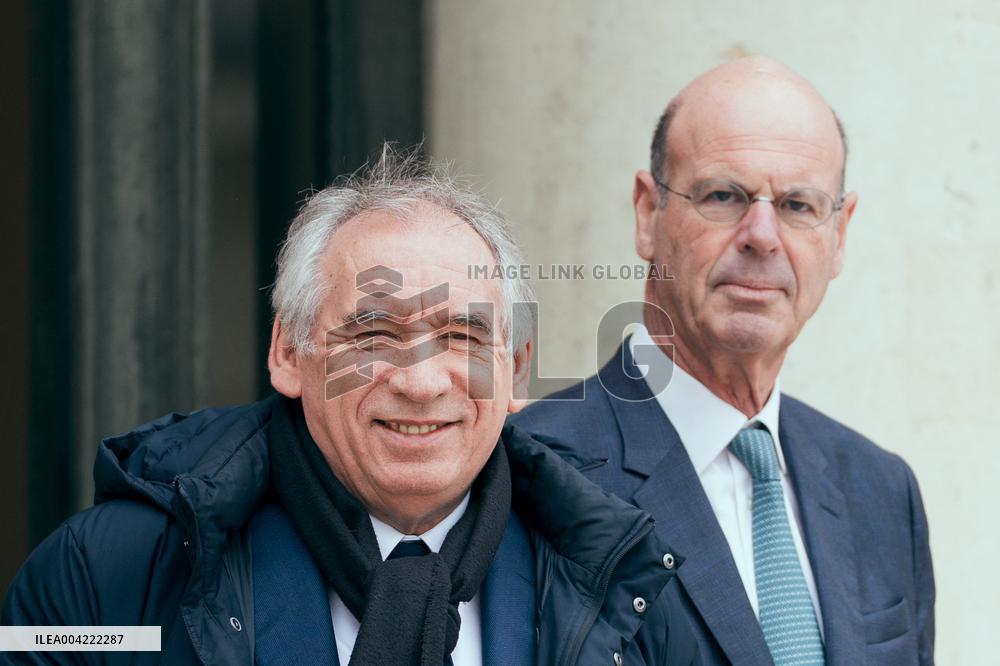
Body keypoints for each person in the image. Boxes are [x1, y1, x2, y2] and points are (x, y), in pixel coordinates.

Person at [2, 148, 699, 665]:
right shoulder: (103, 577)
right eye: (374, 334)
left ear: (516, 370)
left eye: (463, 337)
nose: (422, 383)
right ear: (287, 353)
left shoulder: (629, 589)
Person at [512, 57, 934, 665]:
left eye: (797, 205)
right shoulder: (533, 472)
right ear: (647, 214)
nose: (762, 235)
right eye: (724, 195)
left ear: (839, 235)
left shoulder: (882, 491)